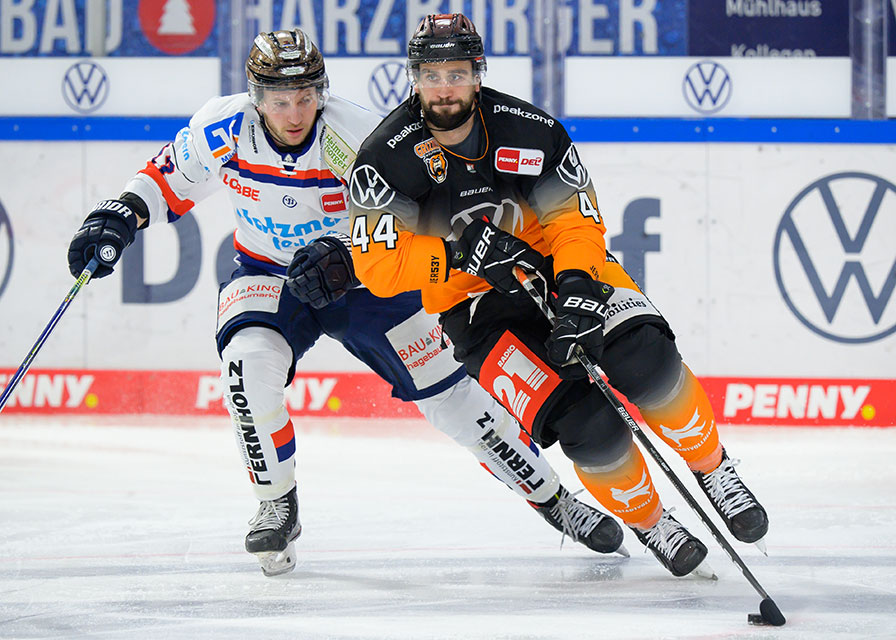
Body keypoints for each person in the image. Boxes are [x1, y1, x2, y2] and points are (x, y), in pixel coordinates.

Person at [66, 28, 627, 577]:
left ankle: (554, 500)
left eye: (306, 97)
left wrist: (346, 254)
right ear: (255, 97)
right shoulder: (223, 127)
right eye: (279, 100)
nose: (294, 113)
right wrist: (116, 215)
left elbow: (417, 219)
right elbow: (165, 181)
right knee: (245, 362)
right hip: (268, 271)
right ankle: (276, 504)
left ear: (323, 92)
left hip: (362, 281)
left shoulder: (355, 135)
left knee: (452, 398)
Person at [348, 13, 769, 578]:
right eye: (430, 74)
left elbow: (575, 222)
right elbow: (377, 268)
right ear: (413, 79)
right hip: (475, 309)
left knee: (646, 359)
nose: (443, 87)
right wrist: (455, 255)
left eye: (455, 72)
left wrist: (574, 286)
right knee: (586, 424)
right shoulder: (384, 160)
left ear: (478, 73)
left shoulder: (530, 129)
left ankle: (713, 468)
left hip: (555, 269)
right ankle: (652, 521)